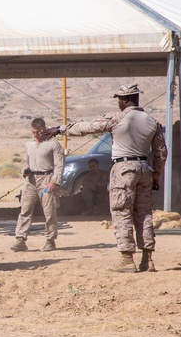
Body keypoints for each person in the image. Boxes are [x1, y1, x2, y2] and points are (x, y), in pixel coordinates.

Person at [41, 84, 167, 272]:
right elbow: (161, 152)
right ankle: (147, 259)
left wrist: (59, 129)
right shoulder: (152, 121)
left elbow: (88, 127)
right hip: (144, 169)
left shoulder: (117, 118)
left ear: (125, 100)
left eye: (119, 99)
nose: (118, 102)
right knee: (144, 214)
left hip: (123, 169)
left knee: (121, 211)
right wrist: (156, 175)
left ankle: (126, 259)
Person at [11, 117, 65, 252]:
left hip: (46, 180)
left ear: (45, 129)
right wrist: (25, 170)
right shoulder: (29, 144)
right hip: (31, 181)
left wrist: (54, 181)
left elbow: (59, 165)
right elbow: (24, 161)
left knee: (49, 210)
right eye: (34, 132)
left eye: (39, 132)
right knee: (25, 209)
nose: (36, 135)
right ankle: (20, 239)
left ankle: (50, 240)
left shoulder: (54, 144)